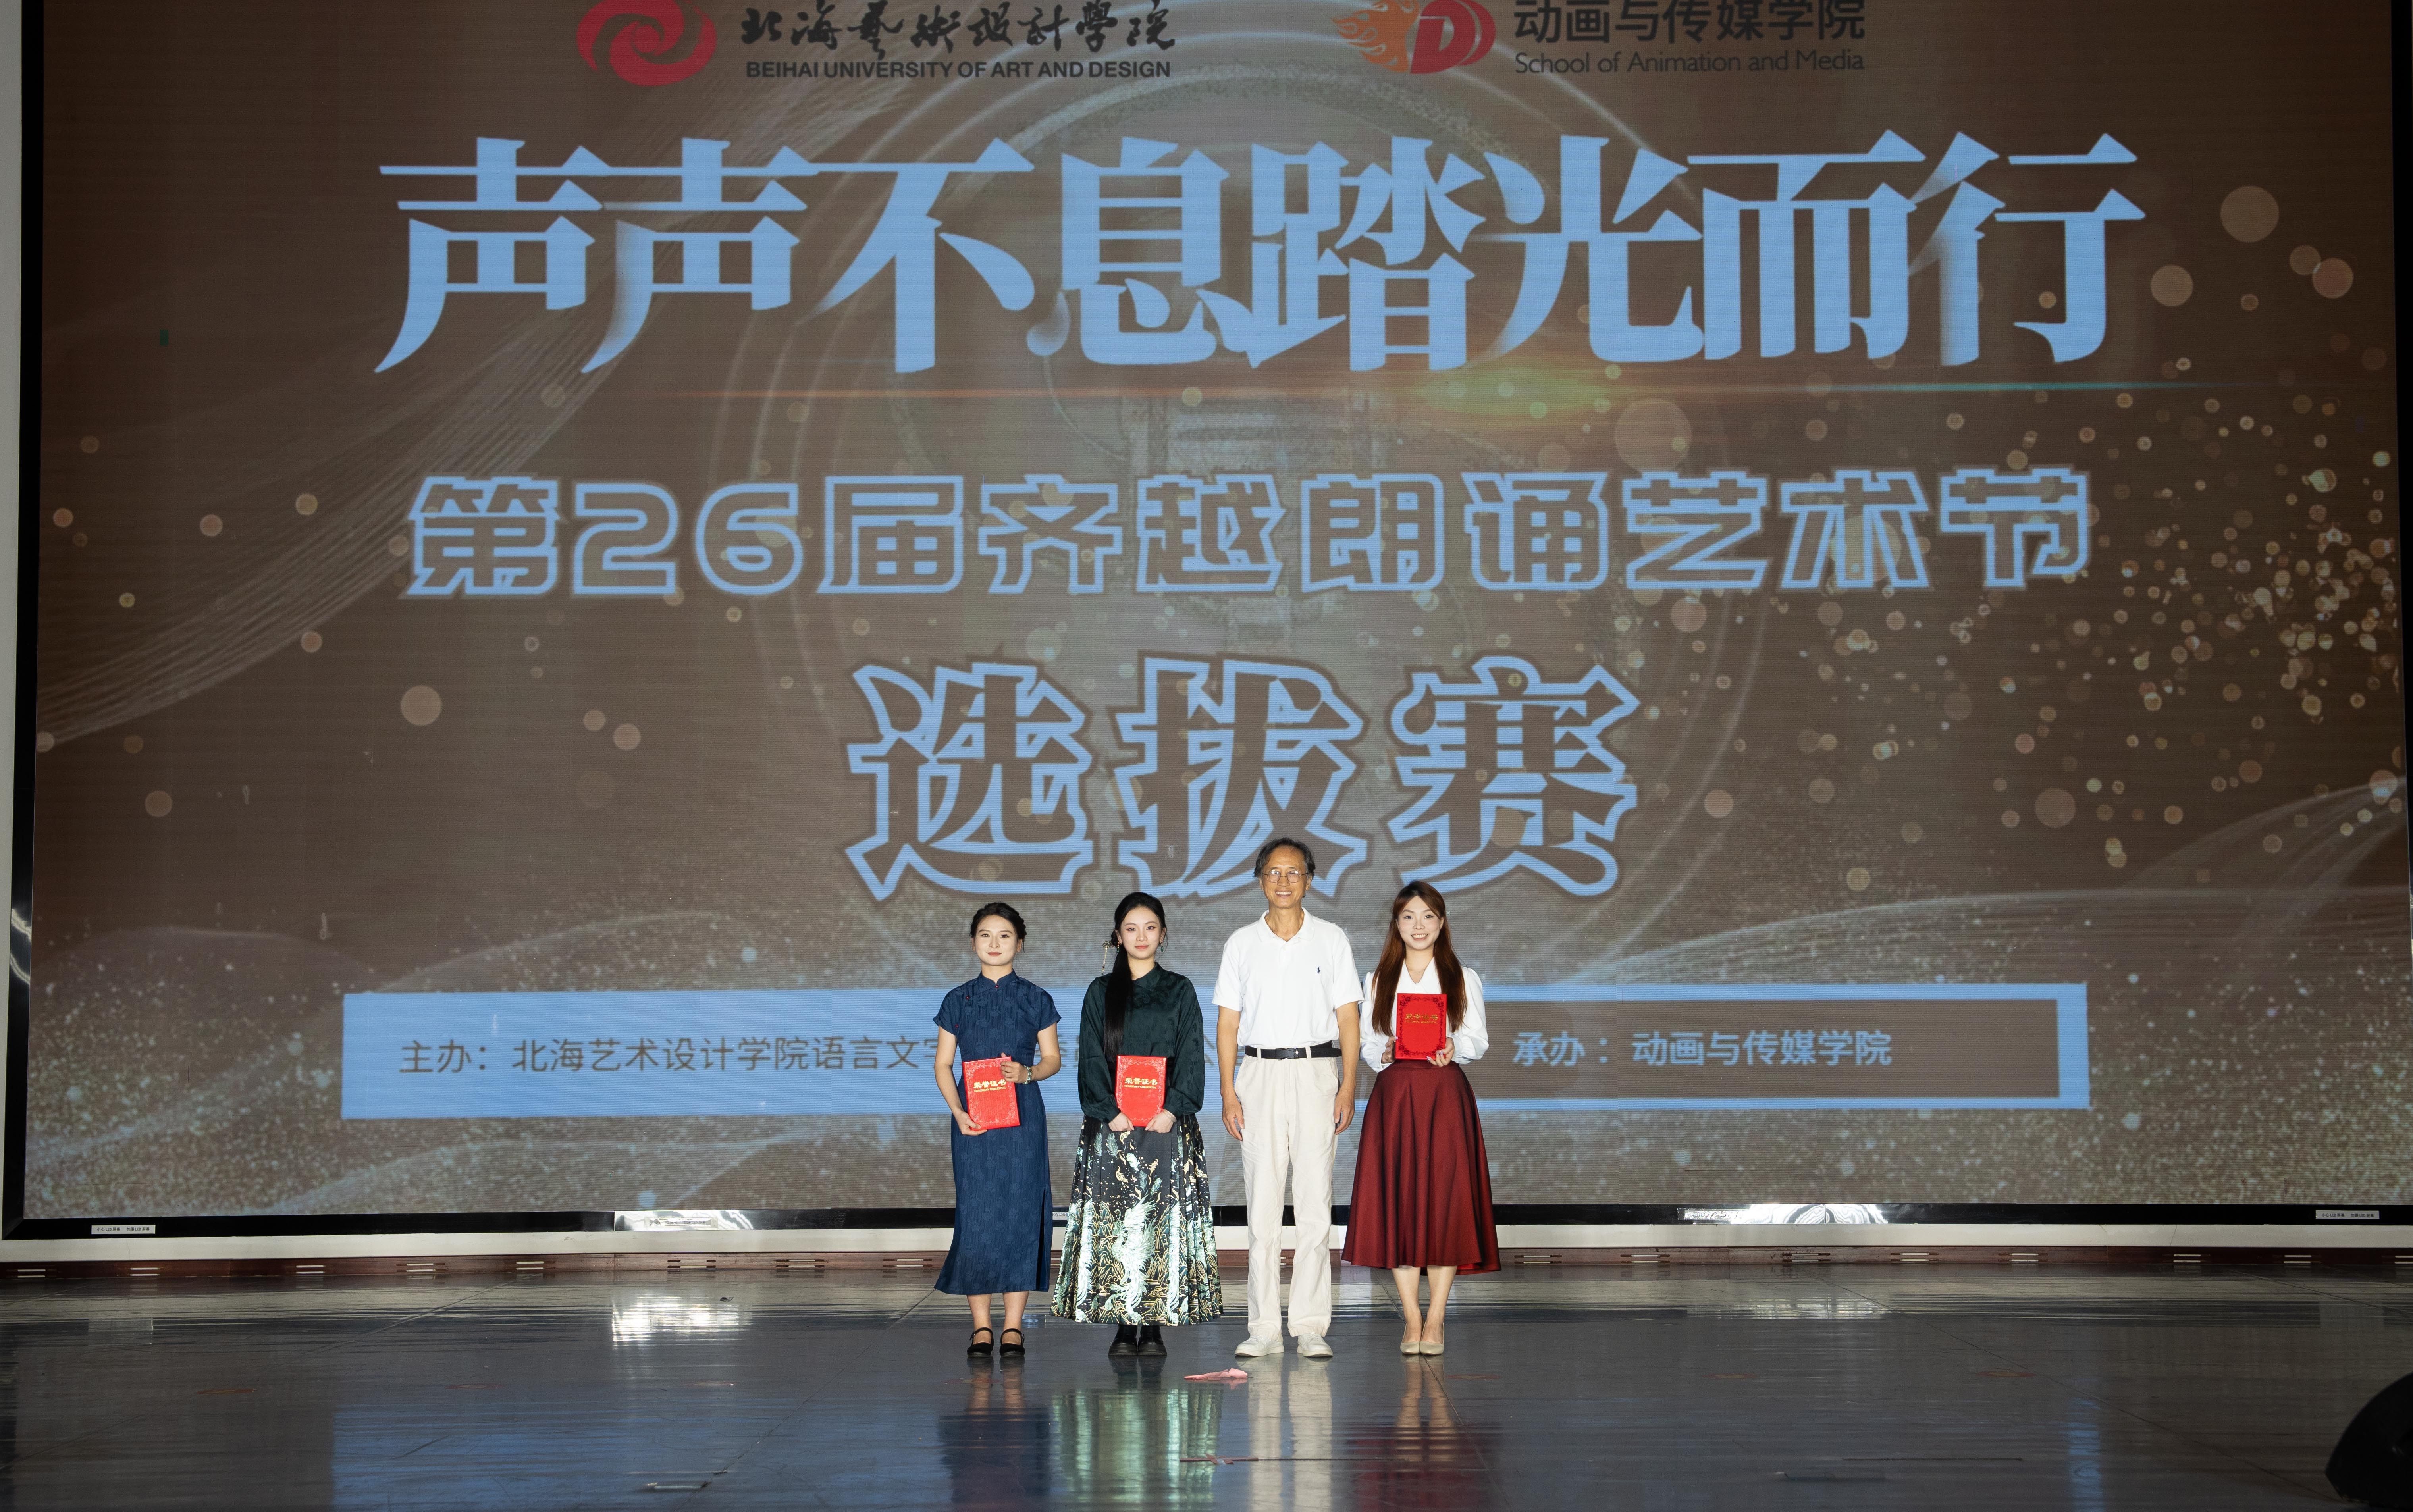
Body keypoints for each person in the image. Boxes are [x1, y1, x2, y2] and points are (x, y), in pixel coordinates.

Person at [1053, 891, 1222, 1354]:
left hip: (1167, 1125)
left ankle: (1155, 1324)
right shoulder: (1100, 991)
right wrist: (1109, 1110)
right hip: (1113, 1126)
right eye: (1132, 928)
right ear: (1118, 936)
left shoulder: (1180, 989)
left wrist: (1173, 1108)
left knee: (1161, 1223)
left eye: (1150, 927)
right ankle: (1124, 1324)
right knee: (1118, 1224)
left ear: (1163, 934)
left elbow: (1192, 1053)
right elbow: (1091, 1055)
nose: (1141, 936)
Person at [1214, 837, 1360, 1361]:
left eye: (1293, 872)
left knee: (1315, 1204)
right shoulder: (1241, 943)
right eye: (1273, 872)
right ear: (1260, 880)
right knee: (1263, 1207)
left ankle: (1310, 1325)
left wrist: (1348, 1085)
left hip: (1317, 1072)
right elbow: (1227, 1023)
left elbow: (1348, 1018)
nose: (1283, 881)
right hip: (1257, 1074)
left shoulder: (1331, 939)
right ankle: (1263, 1328)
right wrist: (1228, 1092)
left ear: (1309, 880)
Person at [1341, 881, 1499, 1356]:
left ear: (1442, 922)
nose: (1419, 925)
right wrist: (1386, 1050)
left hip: (1444, 1095)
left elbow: (1477, 1039)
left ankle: (1436, 1317)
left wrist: (1454, 1045)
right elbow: (1369, 1044)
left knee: (1446, 1202)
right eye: (1409, 916)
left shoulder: (1462, 976)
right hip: (1396, 1096)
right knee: (1401, 1203)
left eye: (1429, 916)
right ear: (1396, 924)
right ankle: (1412, 1316)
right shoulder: (1377, 979)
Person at [932, 901, 1063, 1360]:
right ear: (973, 943)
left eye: (1004, 935)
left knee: (1021, 1214)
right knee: (978, 1216)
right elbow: (943, 1064)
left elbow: (1053, 1058)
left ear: (1019, 943)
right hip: (974, 1120)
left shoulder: (1036, 998)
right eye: (985, 934)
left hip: (1023, 1117)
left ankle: (1013, 1327)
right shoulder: (958, 1000)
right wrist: (957, 1110)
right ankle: (981, 1326)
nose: (994, 943)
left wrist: (1028, 1073)